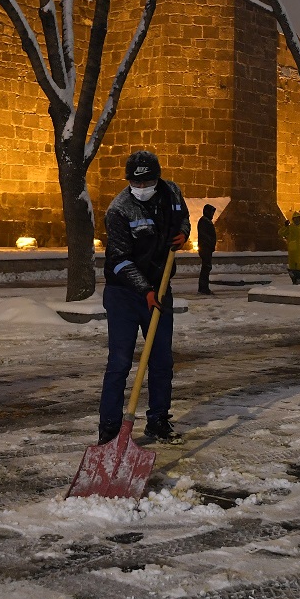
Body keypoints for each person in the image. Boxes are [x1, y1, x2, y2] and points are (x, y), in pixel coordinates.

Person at [99, 150, 190, 446]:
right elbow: (119, 260)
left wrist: (184, 233)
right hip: (124, 293)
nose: (141, 187)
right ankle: (110, 429)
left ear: (157, 178)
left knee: (162, 359)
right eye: (135, 183)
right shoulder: (119, 210)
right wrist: (145, 290)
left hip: (160, 289)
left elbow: (183, 218)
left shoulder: (171, 192)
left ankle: (158, 420)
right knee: (120, 362)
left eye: (147, 182)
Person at [197, 204, 217, 295]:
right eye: (212, 212)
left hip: (207, 248)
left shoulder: (206, 221)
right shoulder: (204, 221)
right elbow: (205, 236)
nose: (212, 215)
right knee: (206, 268)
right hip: (205, 248)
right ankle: (203, 288)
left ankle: (204, 287)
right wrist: (210, 244)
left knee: (206, 267)